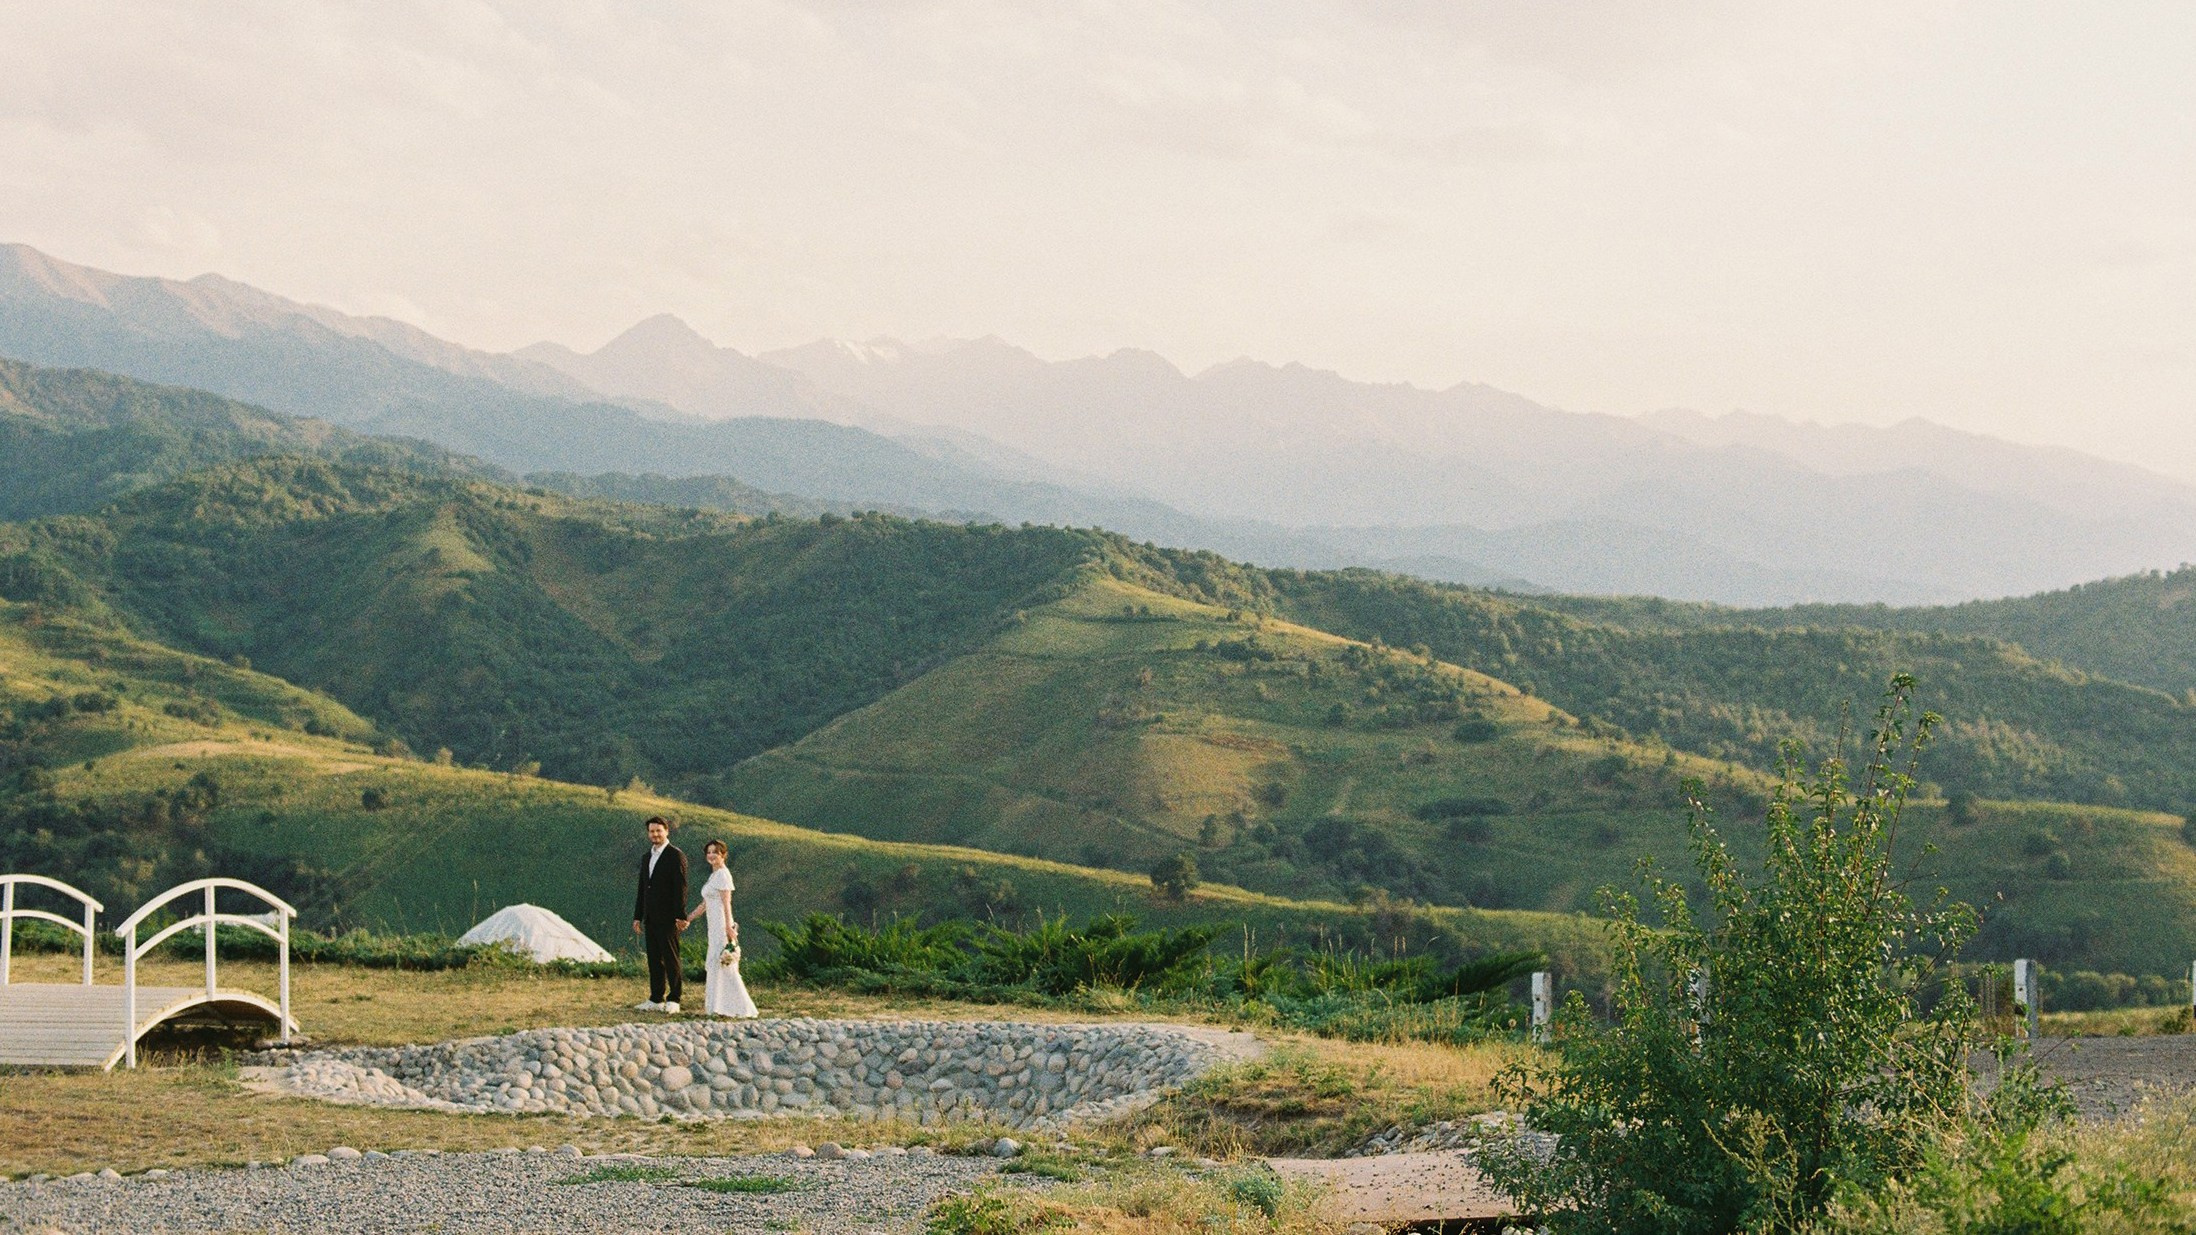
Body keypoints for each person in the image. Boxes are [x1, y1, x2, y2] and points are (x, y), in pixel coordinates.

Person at [679, 839, 758, 1018]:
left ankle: (736, 1007)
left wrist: (729, 927)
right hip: (713, 925)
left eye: (715, 852)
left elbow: (726, 902)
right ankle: (718, 1006)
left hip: (721, 924)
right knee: (716, 962)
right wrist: (689, 918)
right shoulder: (714, 875)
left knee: (723, 962)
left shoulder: (723, 874)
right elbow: (705, 903)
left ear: (723, 855)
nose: (711, 855)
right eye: (709, 852)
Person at [631, 815, 688, 1013]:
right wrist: (638, 916)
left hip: (668, 917)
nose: (655, 834)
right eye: (651, 831)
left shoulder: (675, 855)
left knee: (671, 958)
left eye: (658, 831)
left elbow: (680, 888)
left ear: (666, 831)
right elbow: (642, 889)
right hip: (650, 917)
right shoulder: (647, 856)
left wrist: (680, 915)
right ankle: (656, 998)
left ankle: (674, 998)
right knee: (654, 959)